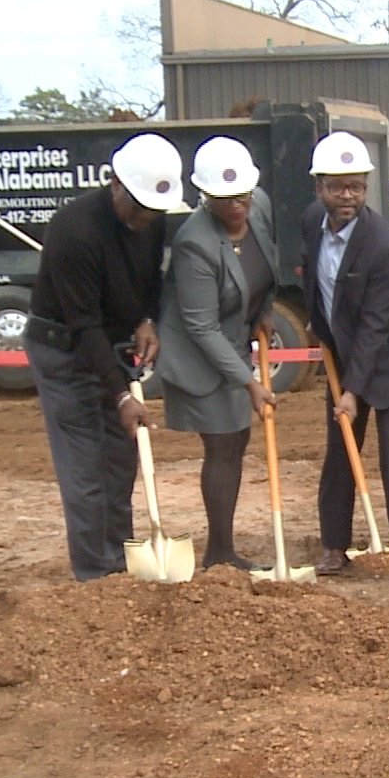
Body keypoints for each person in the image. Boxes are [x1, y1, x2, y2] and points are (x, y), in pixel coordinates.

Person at [24, 133, 179, 581]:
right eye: (138, 207)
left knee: (119, 460)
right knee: (86, 465)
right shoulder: (76, 231)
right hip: (63, 350)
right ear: (115, 183)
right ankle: (96, 574)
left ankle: (124, 560)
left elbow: (150, 276)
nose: (145, 218)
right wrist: (120, 396)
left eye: (154, 211)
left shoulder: (152, 214)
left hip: (109, 342)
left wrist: (147, 319)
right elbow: (83, 325)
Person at [301, 131, 389, 588]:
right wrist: (318, 326)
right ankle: (335, 545)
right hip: (343, 355)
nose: (347, 195)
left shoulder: (384, 245)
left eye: (356, 185)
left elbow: (377, 326)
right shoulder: (311, 222)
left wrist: (353, 392)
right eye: (337, 186)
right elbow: (313, 282)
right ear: (319, 187)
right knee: (340, 450)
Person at [156, 136, 278, 571]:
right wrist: (250, 383)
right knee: (224, 442)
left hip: (234, 339)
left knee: (237, 439)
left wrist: (261, 312)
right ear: (205, 195)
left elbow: (263, 271)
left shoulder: (258, 209)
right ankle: (220, 553)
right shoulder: (195, 244)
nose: (236, 206)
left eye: (241, 195)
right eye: (224, 199)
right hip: (199, 359)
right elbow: (200, 327)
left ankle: (222, 548)